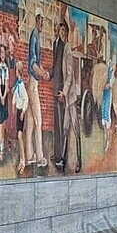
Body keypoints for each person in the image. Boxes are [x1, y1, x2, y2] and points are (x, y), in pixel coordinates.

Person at [25, 11, 50, 168]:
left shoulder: (36, 36)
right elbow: (32, 63)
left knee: (30, 122)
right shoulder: (34, 36)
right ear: (36, 20)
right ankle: (40, 157)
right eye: (40, 20)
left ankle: (29, 155)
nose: (42, 23)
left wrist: (42, 71)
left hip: (32, 83)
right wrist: (42, 73)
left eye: (43, 20)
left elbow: (36, 63)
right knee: (38, 122)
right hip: (32, 85)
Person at [60, 41, 83, 174]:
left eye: (63, 31)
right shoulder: (64, 50)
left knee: (75, 128)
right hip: (67, 99)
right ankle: (63, 160)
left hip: (71, 97)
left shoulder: (67, 50)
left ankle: (79, 160)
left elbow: (69, 75)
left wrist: (64, 91)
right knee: (65, 127)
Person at [51, 20, 67, 170]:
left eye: (63, 31)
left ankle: (61, 159)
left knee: (61, 125)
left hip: (61, 91)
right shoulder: (55, 44)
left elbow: (66, 72)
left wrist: (64, 92)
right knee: (56, 124)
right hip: (55, 89)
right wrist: (48, 74)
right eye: (59, 30)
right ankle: (56, 154)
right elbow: (55, 66)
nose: (60, 33)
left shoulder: (64, 46)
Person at [12, 74, 29, 174]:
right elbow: (15, 96)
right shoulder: (17, 85)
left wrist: (23, 111)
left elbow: (26, 99)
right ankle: (21, 160)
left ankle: (23, 162)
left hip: (21, 113)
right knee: (19, 137)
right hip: (18, 111)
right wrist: (13, 105)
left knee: (19, 136)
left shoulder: (21, 86)